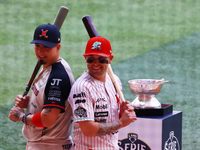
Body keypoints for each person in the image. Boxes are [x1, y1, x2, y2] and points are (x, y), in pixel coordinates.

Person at [8, 23, 75, 150]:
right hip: (45, 143)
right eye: (37, 46)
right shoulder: (49, 66)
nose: (40, 52)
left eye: (46, 47)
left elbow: (47, 119)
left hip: (49, 145)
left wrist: (21, 116)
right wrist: (30, 103)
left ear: (58, 47)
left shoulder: (57, 77)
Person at [68, 36, 137, 150]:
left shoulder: (114, 81)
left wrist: (122, 113)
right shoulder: (82, 87)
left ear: (110, 59)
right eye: (91, 58)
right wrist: (121, 122)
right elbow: (88, 130)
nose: (95, 63)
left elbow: (110, 117)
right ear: (85, 58)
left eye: (101, 59)